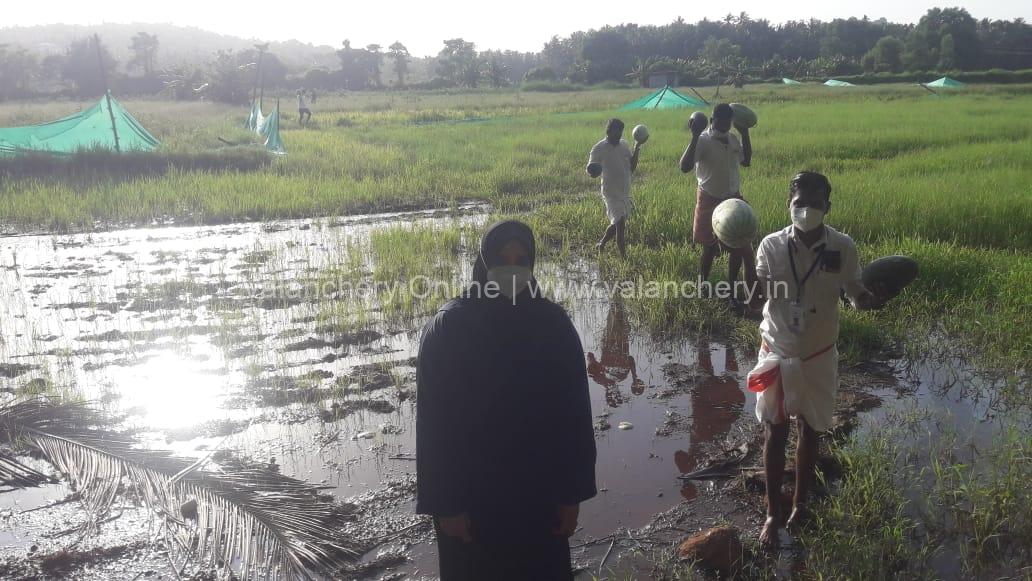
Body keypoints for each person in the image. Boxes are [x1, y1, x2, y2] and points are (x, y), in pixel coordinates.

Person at [416, 220, 598, 581]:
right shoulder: (450, 328)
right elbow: (434, 425)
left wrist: (571, 494)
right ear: (484, 263)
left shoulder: (554, 325)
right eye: (502, 259)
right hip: (473, 499)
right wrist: (446, 505)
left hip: (538, 495)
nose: (511, 269)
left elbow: (574, 416)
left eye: (521, 259)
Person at [747, 171, 886, 547]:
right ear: (788, 205)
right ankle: (773, 512)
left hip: (818, 354)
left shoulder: (842, 246)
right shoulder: (770, 246)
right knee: (775, 430)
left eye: (815, 204)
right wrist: (743, 259)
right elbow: (757, 294)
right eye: (799, 203)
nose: (806, 210)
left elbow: (854, 290)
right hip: (776, 350)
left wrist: (868, 301)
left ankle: (800, 504)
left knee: (811, 429)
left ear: (828, 206)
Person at [680, 103, 753, 303]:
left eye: (728, 122)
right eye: (720, 121)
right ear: (712, 121)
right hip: (709, 197)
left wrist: (745, 133)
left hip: (732, 198)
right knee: (709, 247)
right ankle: (702, 285)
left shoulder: (732, 139)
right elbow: (684, 167)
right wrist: (694, 136)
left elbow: (746, 161)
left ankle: (730, 291)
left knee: (737, 244)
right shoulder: (703, 140)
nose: (725, 125)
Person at [587, 119, 642, 258]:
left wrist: (637, 147)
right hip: (610, 194)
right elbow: (590, 169)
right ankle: (624, 257)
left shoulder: (624, 144)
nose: (619, 134)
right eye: (616, 131)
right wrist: (593, 171)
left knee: (616, 224)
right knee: (621, 225)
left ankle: (602, 243)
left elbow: (632, 167)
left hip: (624, 192)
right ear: (609, 131)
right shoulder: (598, 148)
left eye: (621, 132)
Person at [586, 299, 644, 408]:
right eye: (617, 394)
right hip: (619, 339)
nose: (615, 392)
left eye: (613, 394)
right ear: (619, 392)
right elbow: (630, 359)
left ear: (608, 393)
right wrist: (634, 377)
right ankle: (617, 299)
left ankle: (616, 298)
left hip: (610, 339)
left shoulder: (600, 377)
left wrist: (592, 363)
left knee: (616, 312)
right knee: (618, 312)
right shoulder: (620, 376)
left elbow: (590, 355)